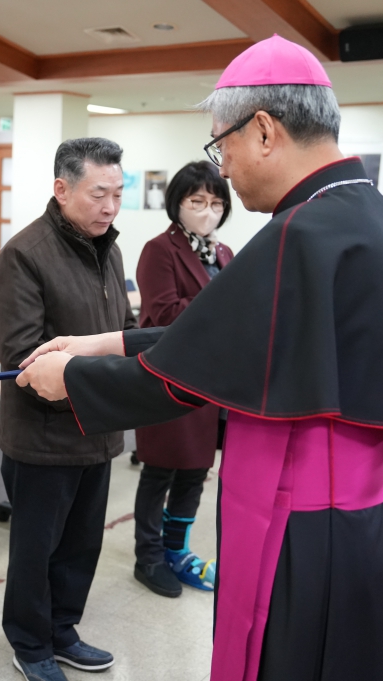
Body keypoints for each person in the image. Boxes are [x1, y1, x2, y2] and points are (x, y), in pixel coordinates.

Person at [16, 36, 383, 681]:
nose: (222, 170)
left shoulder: (302, 231)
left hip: (308, 529)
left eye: (220, 147)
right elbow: (222, 335)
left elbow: (182, 377)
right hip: (363, 520)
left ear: (264, 130)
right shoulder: (357, 211)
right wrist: (101, 342)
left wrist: (70, 377)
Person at [0, 138, 134, 681]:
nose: (110, 207)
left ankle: (63, 630)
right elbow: (23, 360)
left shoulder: (109, 249)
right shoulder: (24, 255)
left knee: (81, 546)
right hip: (43, 439)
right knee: (36, 552)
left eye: (118, 194)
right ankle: (30, 643)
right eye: (99, 194)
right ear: (62, 188)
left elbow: (120, 331)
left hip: (97, 431)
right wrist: (111, 380)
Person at [132, 161, 233, 598]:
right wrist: (221, 304)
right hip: (168, 380)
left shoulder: (223, 253)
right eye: (197, 201)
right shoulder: (160, 250)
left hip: (212, 381)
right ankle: (148, 556)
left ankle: (178, 551)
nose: (207, 210)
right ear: (177, 203)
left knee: (195, 472)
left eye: (215, 203)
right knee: (160, 472)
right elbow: (164, 314)